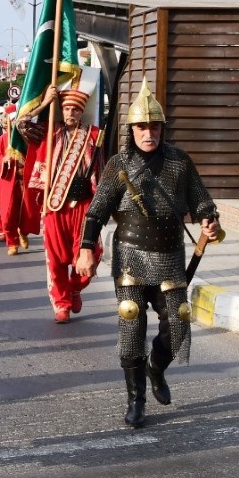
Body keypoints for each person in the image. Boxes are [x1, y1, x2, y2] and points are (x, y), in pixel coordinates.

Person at [75, 78, 219, 428]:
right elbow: (96, 211)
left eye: (154, 126)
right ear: (132, 129)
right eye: (141, 126)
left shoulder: (179, 162)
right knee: (131, 323)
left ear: (162, 128)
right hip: (130, 256)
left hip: (169, 255)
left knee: (179, 325)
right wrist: (86, 248)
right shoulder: (117, 164)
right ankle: (136, 399)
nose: (148, 132)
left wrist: (208, 218)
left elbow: (200, 198)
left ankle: (156, 367)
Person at [16, 71, 104, 324]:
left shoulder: (95, 135)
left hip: (84, 205)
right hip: (54, 204)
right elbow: (22, 124)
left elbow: (101, 168)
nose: (70, 114)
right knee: (55, 259)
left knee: (91, 252)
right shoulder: (49, 133)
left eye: (75, 110)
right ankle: (62, 302)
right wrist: (45, 102)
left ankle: (76, 286)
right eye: (66, 110)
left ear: (82, 112)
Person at [0, 103, 29, 256]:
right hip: (7, 181)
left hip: (25, 181)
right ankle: (12, 242)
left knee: (27, 212)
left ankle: (23, 232)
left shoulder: (27, 139)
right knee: (8, 213)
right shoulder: (2, 140)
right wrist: (3, 160)